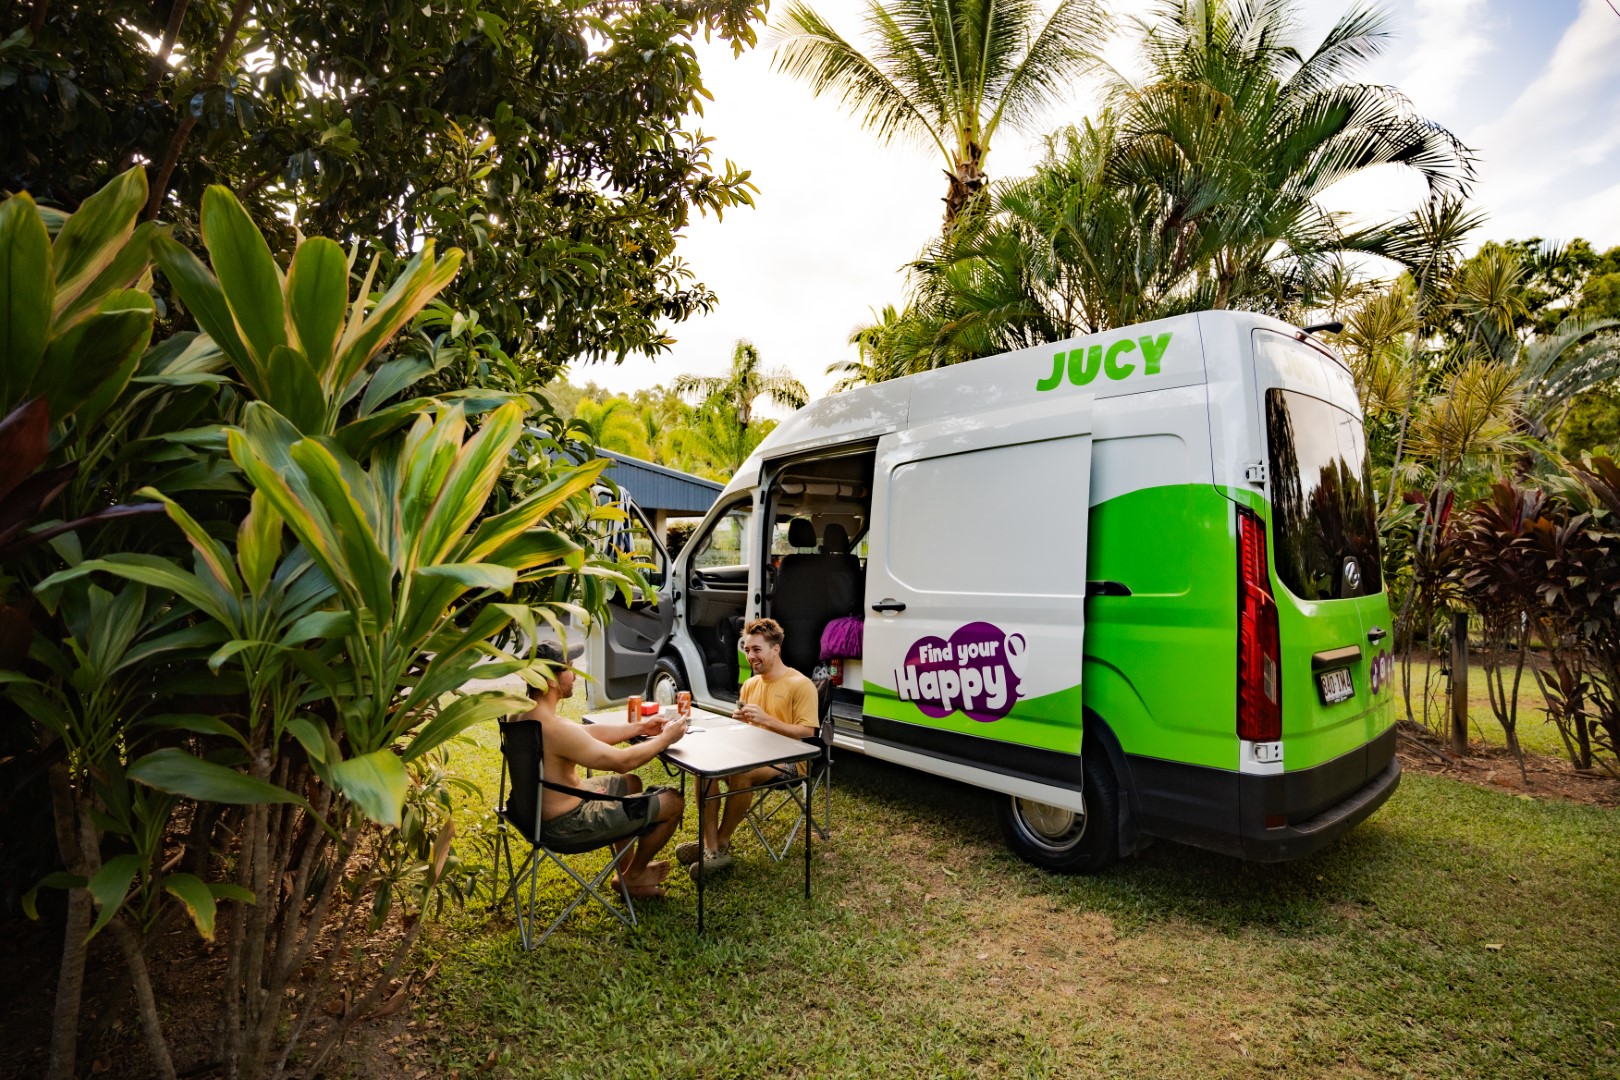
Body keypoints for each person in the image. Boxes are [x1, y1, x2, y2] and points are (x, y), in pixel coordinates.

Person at [510, 640, 687, 898]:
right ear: (550, 680)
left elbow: (585, 733)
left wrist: (639, 728)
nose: (574, 674)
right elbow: (622, 761)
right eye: (569, 667)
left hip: (533, 812)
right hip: (565, 825)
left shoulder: (522, 714)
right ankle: (635, 875)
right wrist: (666, 738)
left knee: (630, 783)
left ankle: (626, 874)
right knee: (673, 801)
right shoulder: (554, 729)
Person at [678, 617, 819, 879]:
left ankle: (720, 844)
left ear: (775, 649)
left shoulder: (800, 685)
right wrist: (740, 721)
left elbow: (807, 732)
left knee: (742, 772)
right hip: (750, 752)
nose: (750, 656)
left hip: (790, 760)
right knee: (703, 768)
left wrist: (768, 720)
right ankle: (711, 845)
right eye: (746, 649)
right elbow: (747, 728)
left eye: (756, 649)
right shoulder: (751, 684)